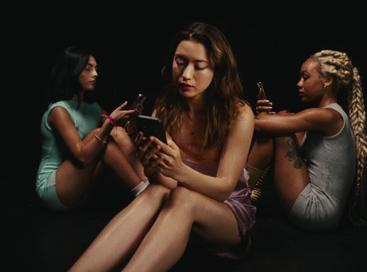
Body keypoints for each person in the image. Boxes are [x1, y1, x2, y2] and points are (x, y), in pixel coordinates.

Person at [69, 22, 256, 271]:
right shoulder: (166, 109)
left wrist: (179, 171)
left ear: (218, 71)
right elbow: (164, 186)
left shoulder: (239, 113)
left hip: (227, 218)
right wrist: (151, 168)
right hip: (176, 217)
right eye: (180, 62)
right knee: (156, 192)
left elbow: (223, 190)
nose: (186, 74)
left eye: (199, 66)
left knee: (183, 197)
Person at [248, 50, 367, 230]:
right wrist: (266, 118)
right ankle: (245, 189)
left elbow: (262, 125)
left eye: (305, 78)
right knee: (280, 124)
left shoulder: (328, 116)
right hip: (324, 215)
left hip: (315, 210)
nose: (299, 84)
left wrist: (258, 117)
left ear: (327, 80)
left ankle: (239, 191)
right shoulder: (326, 119)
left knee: (280, 125)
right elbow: (269, 126)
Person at [36, 46, 149, 211]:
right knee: (100, 134)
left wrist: (130, 122)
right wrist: (109, 122)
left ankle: (147, 183)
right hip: (56, 189)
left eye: (96, 69)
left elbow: (117, 135)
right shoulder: (58, 110)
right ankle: (143, 193)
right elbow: (81, 157)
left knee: (115, 132)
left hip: (84, 188)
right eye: (88, 69)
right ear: (72, 71)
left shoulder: (93, 107)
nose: (95, 74)